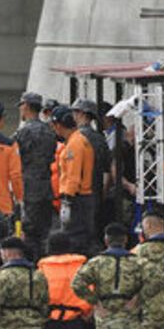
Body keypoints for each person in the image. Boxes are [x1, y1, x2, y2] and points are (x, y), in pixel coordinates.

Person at [71, 222, 164, 329]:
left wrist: (95, 302)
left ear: (106, 240)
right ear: (125, 240)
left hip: (105, 320)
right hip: (130, 319)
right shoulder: (138, 262)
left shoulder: (96, 263)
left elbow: (77, 283)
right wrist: (138, 298)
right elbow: (159, 279)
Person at [14, 91, 58, 259]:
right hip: (46, 187)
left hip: (29, 188)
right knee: (44, 231)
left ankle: (31, 264)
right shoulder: (49, 131)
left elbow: (14, 155)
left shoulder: (23, 132)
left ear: (26, 106)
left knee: (29, 232)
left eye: (21, 106)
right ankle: (44, 263)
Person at [38, 231, 91, 329]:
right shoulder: (81, 266)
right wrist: (87, 313)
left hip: (51, 322)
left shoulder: (43, 269)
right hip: (77, 321)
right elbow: (91, 292)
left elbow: (37, 295)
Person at [55, 105, 95, 254]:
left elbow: (73, 175)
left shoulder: (74, 144)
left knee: (74, 239)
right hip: (82, 197)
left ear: (58, 125)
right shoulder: (78, 140)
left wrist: (67, 200)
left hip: (76, 198)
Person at [71, 98, 112, 230]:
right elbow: (107, 169)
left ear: (82, 114)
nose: (73, 116)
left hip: (78, 193)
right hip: (95, 192)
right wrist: (103, 192)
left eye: (75, 112)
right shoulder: (100, 138)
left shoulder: (76, 138)